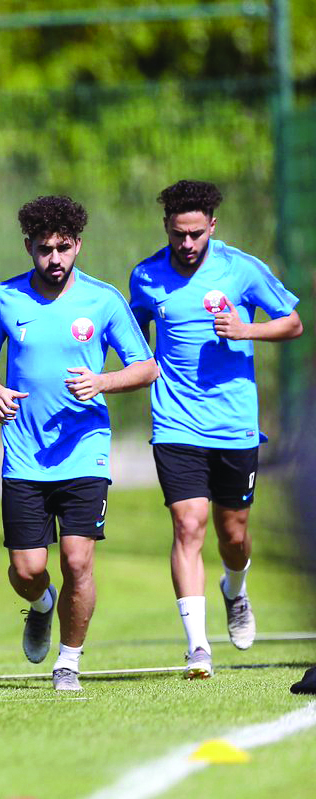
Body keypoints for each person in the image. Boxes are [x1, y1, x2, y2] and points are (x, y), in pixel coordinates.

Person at [0, 196, 157, 691]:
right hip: (24, 455)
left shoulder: (103, 300)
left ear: (79, 245)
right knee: (28, 570)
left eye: (64, 248)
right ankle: (40, 604)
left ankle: (69, 661)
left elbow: (145, 367)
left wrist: (102, 382)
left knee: (78, 560)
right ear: (28, 246)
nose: (55, 259)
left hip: (85, 450)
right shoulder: (3, 299)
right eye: (44, 249)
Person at [129, 180, 302, 679]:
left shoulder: (240, 269)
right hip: (175, 423)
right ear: (167, 226)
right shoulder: (145, 275)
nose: (187, 245)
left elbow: (292, 324)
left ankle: (235, 589)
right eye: (179, 234)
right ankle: (198, 647)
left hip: (233, 426)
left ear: (212, 227)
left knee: (234, 535)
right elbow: (133, 330)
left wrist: (247, 329)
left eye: (197, 235)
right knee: (188, 527)